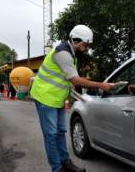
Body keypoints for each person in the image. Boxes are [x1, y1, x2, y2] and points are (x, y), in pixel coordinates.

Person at [30, 25, 114, 172]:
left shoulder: (71, 54)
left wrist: (75, 96)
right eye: (86, 45)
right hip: (45, 98)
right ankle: (57, 169)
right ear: (75, 42)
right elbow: (75, 80)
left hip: (57, 99)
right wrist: (101, 85)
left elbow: (65, 80)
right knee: (51, 135)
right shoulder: (63, 53)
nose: (87, 49)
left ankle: (66, 163)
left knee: (61, 131)